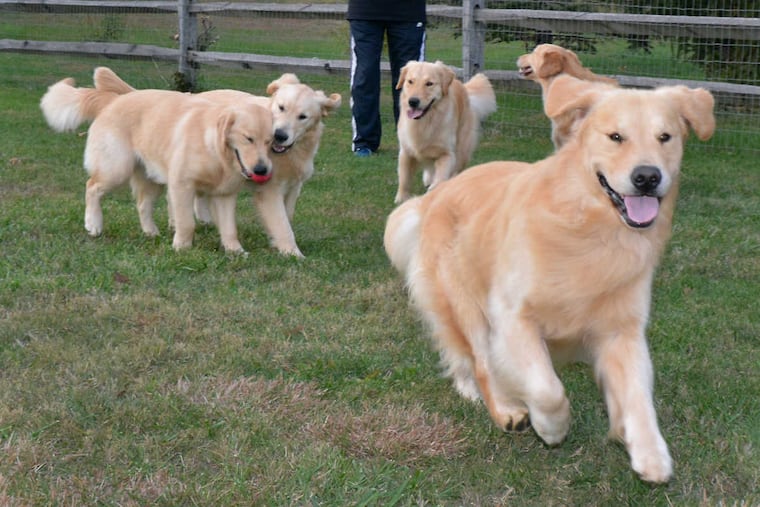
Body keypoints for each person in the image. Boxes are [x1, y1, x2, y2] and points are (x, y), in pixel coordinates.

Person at [347, 0, 427, 157]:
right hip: (365, 12)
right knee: (365, 77)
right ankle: (364, 142)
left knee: (412, 81)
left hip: (409, 13)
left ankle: (411, 142)